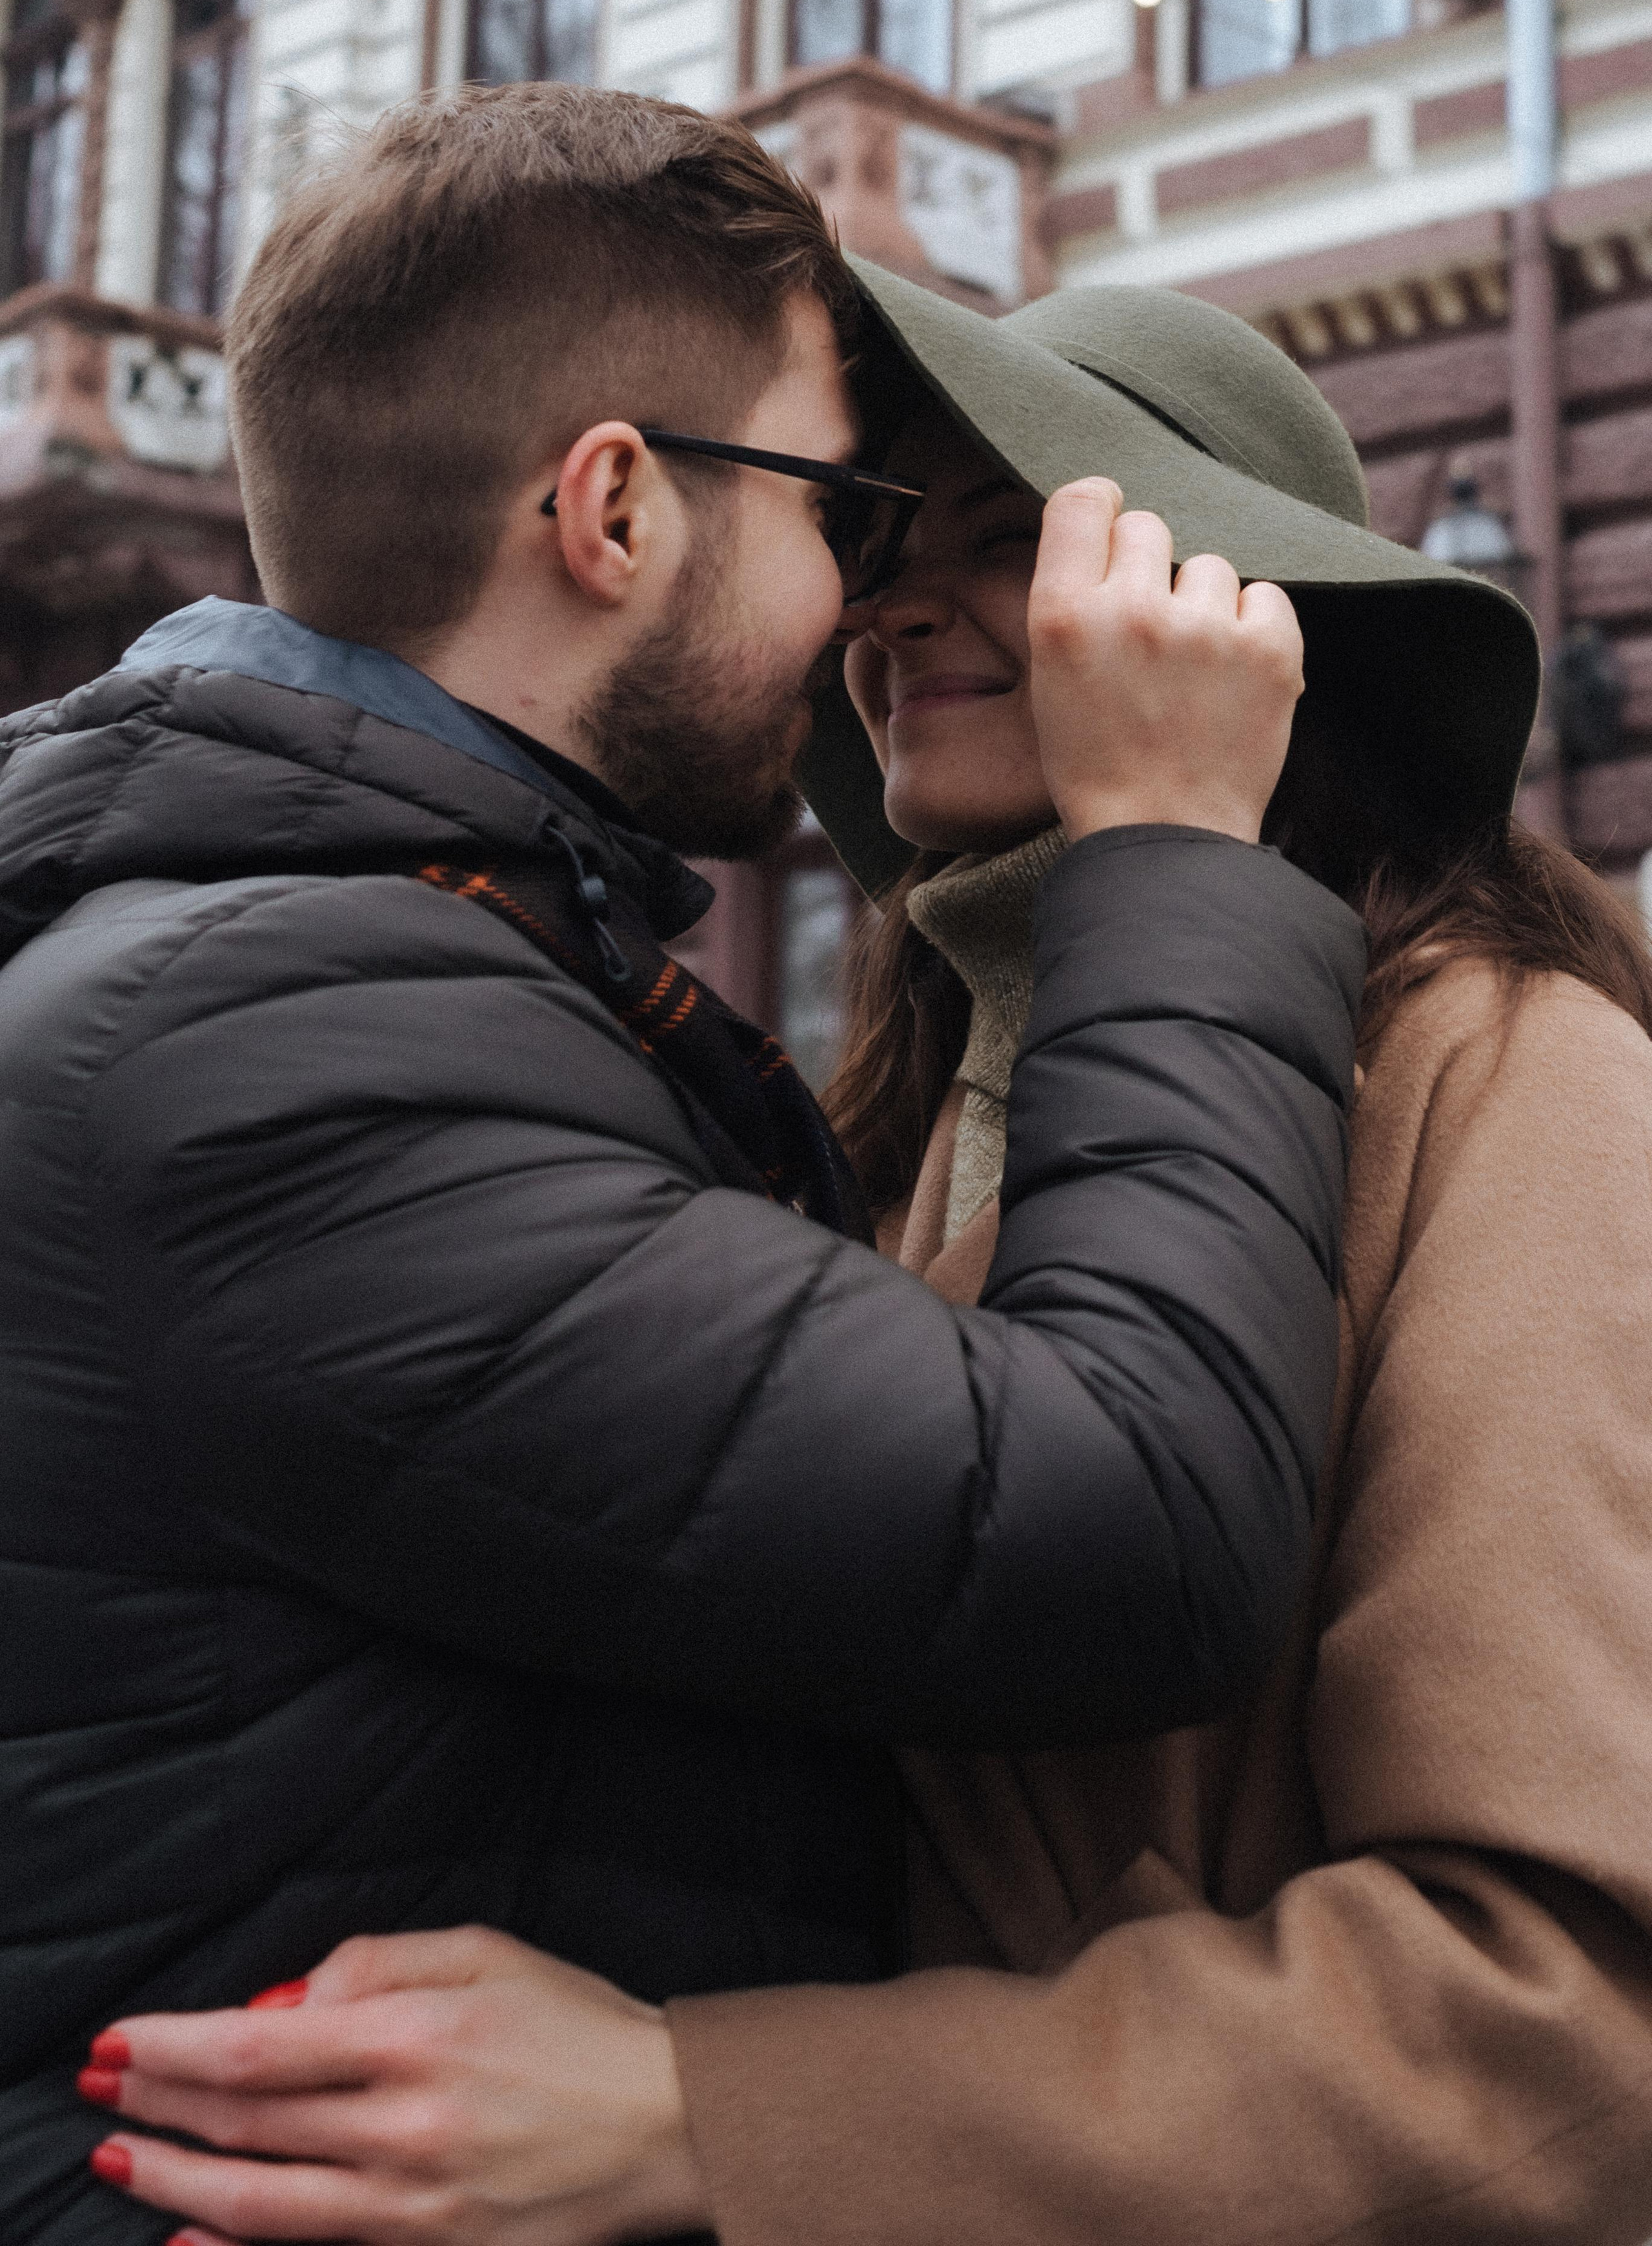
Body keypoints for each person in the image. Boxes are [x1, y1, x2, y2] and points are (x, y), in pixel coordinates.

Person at [99, 262, 1652, 2246]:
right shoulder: (891, 1134)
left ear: (1235, 619)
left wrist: (704, 2119)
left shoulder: (1507, 1076)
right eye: (873, 542)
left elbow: (1568, 2018)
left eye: (1016, 538)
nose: (887, 601)